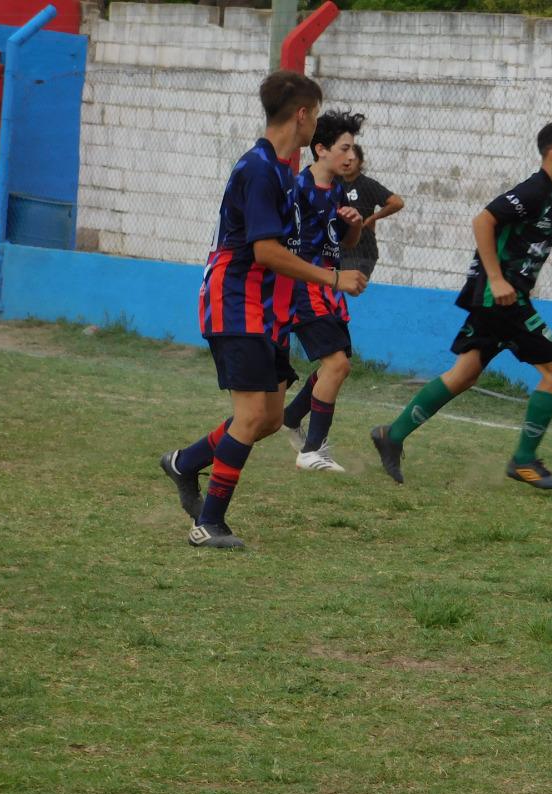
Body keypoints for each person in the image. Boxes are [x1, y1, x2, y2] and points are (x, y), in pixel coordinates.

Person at [159, 72, 367, 549]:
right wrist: (334, 279)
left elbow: (294, 243)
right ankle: (208, 523)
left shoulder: (280, 171)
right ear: (302, 114)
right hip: (235, 302)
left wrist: (345, 229)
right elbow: (268, 251)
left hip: (264, 308)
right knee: (252, 415)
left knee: (270, 418)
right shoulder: (258, 169)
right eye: (316, 113)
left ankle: (185, 462)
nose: (318, 121)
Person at [370, 121, 552, 490]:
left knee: (464, 374)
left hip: (499, 299)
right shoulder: (534, 190)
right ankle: (523, 461)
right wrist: (498, 279)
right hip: (503, 300)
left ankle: (393, 434)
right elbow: (483, 220)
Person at [280, 110, 366, 473]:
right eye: (344, 148)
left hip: (329, 288)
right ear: (321, 149)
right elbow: (285, 245)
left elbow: (344, 242)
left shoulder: (340, 190)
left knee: (337, 365)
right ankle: (312, 450)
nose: (351, 156)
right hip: (304, 287)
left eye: (353, 148)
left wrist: (355, 226)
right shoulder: (298, 189)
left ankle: (291, 416)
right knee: (337, 364)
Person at [339, 144, 404, 280]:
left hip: (363, 249)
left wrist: (372, 218)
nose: (347, 162)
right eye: (344, 158)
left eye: (353, 159)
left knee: (352, 286)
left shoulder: (367, 184)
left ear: (360, 162)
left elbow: (397, 202)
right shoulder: (334, 182)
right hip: (339, 247)